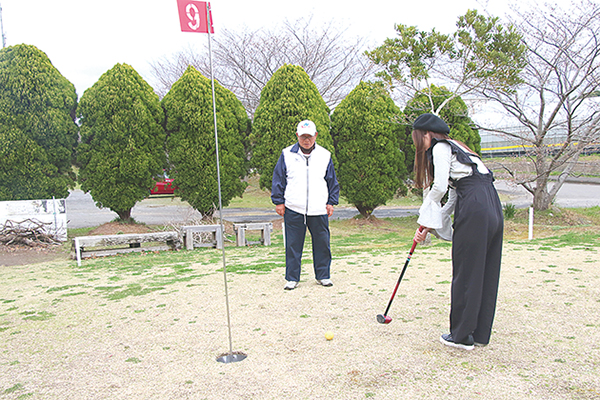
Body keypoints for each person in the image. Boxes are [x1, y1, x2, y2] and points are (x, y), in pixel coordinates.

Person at [411, 113, 503, 350]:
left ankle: (461, 335)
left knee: (465, 270)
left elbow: (439, 188)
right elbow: (452, 196)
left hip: (474, 205)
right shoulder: (461, 148)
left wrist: (424, 215)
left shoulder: (441, 148)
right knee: (485, 269)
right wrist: (430, 226)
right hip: (491, 204)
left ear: (426, 134)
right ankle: (479, 333)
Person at [271, 120, 340, 290]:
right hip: (294, 208)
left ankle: (323, 275)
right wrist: (278, 201)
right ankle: (292, 278)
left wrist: (331, 202)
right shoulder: (287, 154)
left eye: (309, 136)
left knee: (322, 243)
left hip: (319, 208)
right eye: (303, 136)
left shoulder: (325, 155)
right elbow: (278, 179)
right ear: (297, 136)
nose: (306, 140)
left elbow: (332, 181)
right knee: (293, 244)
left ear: (316, 136)